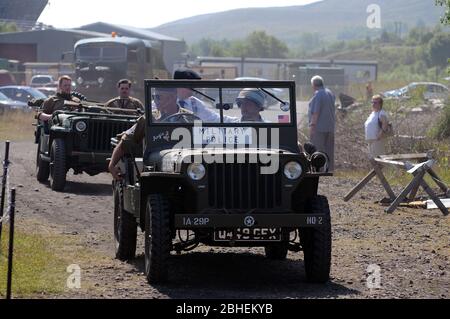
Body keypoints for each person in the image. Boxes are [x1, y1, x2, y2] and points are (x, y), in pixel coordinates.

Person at [108, 87, 191, 180]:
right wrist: (112, 164)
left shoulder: (189, 118)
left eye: (158, 97)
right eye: (153, 97)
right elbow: (126, 140)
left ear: (171, 98)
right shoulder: (149, 118)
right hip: (155, 169)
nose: (155, 101)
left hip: (187, 167)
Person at [308, 75, 336, 171]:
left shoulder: (318, 94)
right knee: (329, 150)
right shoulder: (330, 93)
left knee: (318, 150)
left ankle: (319, 170)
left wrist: (312, 127)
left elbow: (316, 113)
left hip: (319, 128)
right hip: (330, 127)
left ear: (314, 85)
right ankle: (329, 170)